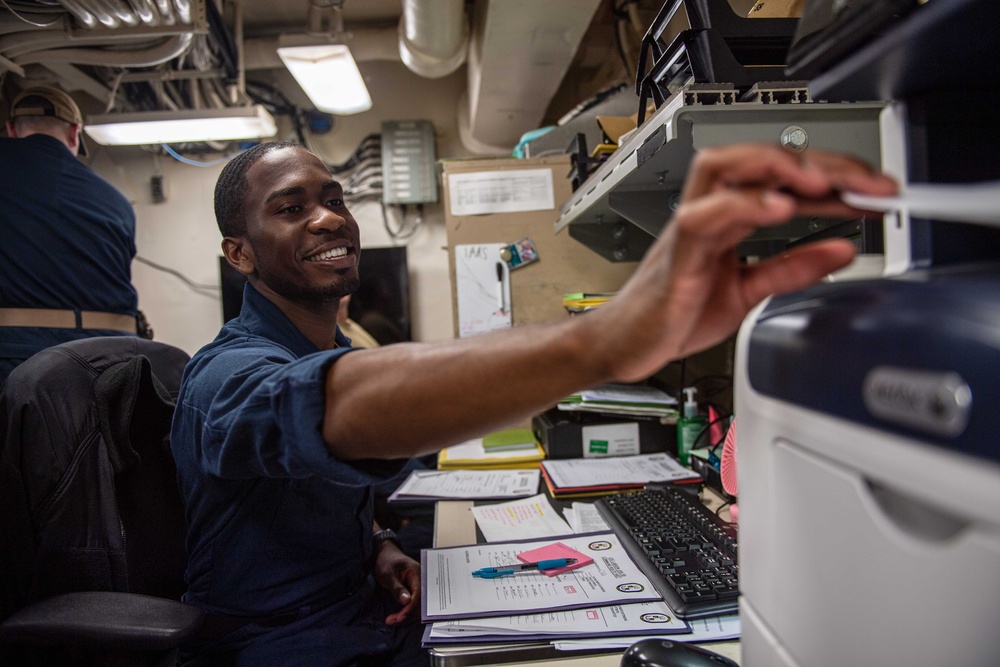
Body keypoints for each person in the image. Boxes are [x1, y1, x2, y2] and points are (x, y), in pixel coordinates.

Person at [170, 140, 896, 665]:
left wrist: (379, 546)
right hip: (281, 647)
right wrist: (606, 340)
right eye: (291, 208)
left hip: (364, 610)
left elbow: (336, 443)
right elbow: (333, 409)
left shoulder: (326, 352)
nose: (328, 219)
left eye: (333, 199)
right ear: (239, 255)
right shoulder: (224, 376)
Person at [0, 86, 139, 382]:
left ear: (11, 128)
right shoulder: (115, 200)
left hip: (16, 358)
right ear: (75, 134)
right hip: (106, 360)